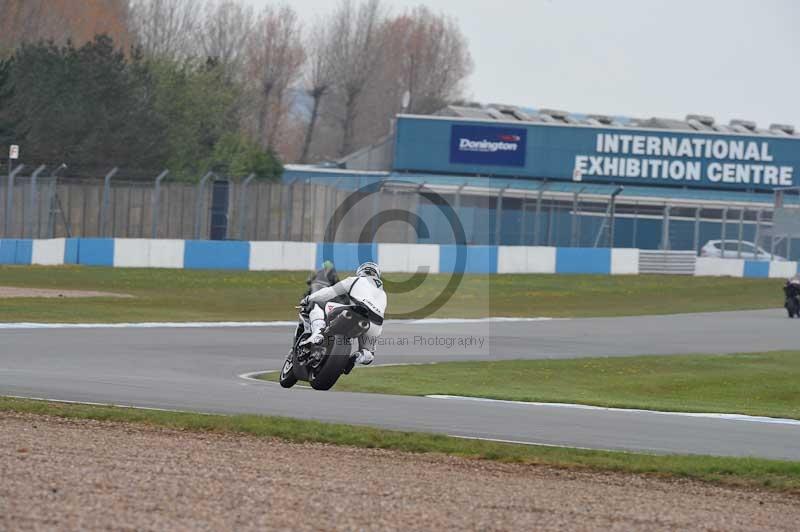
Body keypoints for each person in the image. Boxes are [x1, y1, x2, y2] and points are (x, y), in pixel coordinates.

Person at [298, 261, 386, 366]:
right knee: (369, 354)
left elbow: (329, 292)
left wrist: (309, 298)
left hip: (357, 310)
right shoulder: (383, 293)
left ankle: (316, 336)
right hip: (375, 324)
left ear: (361, 272)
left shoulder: (355, 280)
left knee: (318, 304)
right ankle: (357, 358)